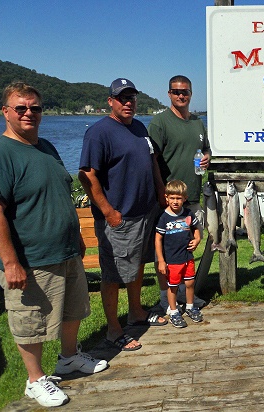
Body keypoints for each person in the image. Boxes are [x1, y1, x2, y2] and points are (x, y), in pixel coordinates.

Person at [0, 82, 108, 407]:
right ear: (6, 112)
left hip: (66, 251)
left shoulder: (47, 147)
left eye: (35, 108)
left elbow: (59, 195)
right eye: (21, 108)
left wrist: (77, 237)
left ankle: (69, 358)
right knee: (30, 322)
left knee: (74, 309)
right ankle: (35, 379)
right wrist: (11, 262)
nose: (29, 113)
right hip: (31, 259)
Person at [79, 78, 168, 352]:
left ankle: (135, 312)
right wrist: (108, 211)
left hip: (145, 212)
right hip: (119, 218)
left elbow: (151, 161)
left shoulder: (140, 127)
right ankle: (113, 330)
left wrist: (161, 191)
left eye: (132, 98)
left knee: (138, 264)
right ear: (110, 101)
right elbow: (86, 174)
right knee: (114, 273)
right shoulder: (99, 133)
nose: (128, 103)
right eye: (122, 98)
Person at [148, 75, 211, 317]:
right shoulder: (160, 122)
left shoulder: (197, 122)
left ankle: (185, 295)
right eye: (176, 92)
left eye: (184, 92)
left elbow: (205, 149)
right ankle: (166, 298)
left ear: (191, 93)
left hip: (192, 197)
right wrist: (161, 192)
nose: (181, 96)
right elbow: (151, 158)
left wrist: (208, 157)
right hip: (168, 201)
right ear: (169, 94)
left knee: (187, 248)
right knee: (164, 249)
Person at [155, 180, 203, 328]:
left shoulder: (188, 214)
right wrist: (161, 261)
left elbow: (196, 228)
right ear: (166, 198)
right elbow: (158, 240)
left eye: (179, 198)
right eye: (172, 198)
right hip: (172, 260)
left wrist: (197, 239)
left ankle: (190, 306)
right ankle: (174, 311)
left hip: (187, 257)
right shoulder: (164, 217)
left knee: (189, 283)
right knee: (173, 286)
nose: (175, 201)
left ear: (185, 198)